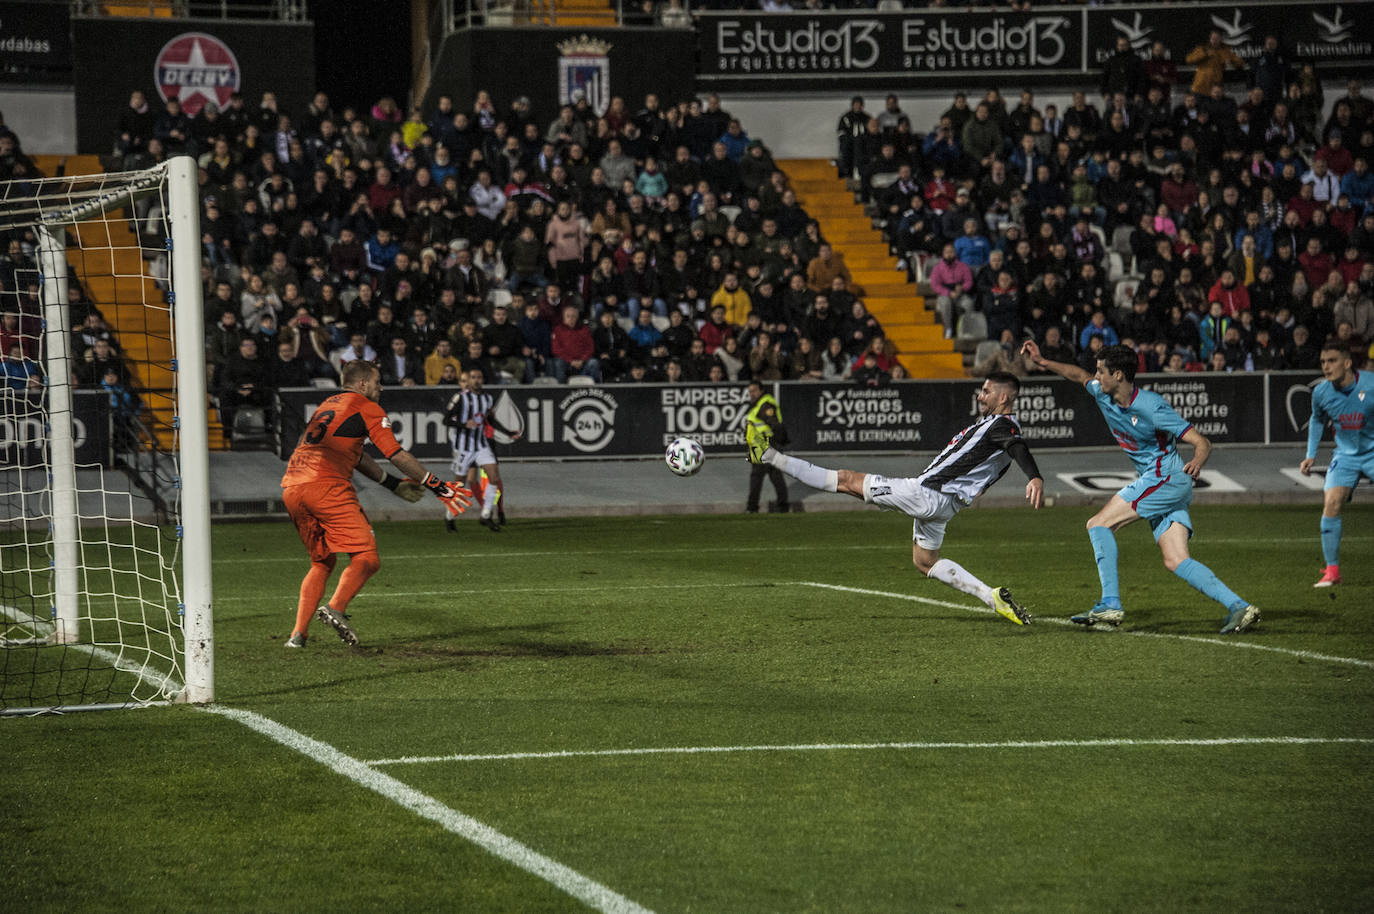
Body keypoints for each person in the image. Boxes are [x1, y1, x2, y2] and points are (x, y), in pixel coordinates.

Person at [746, 372, 1042, 625]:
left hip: (927, 493)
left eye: (987, 391)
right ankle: (992, 598)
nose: (981, 395)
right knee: (925, 562)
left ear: (1004, 398)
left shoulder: (1003, 426)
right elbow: (997, 464)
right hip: (945, 506)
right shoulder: (994, 428)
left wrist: (1034, 476)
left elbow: (1018, 448)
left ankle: (769, 455)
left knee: (846, 481)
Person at [1020, 341, 1260, 633]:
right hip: (1164, 483)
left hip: (1166, 477)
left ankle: (1110, 605)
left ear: (1118, 375)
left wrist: (1197, 461)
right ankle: (1240, 607)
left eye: (1101, 371)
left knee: (1098, 524)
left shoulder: (1151, 405)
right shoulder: (1102, 394)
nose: (1096, 377)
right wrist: (1043, 362)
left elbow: (1202, 442)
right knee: (1176, 560)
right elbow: (1077, 375)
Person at [279, 360, 472, 648]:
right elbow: (395, 453)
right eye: (377, 381)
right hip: (327, 486)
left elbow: (354, 455)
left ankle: (298, 636)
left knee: (322, 561)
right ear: (362, 384)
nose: (381, 387)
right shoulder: (366, 406)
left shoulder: (328, 406)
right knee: (367, 558)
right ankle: (336, 608)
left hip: (293, 487)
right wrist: (438, 486)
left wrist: (392, 484)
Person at [1300, 342, 1374, 587]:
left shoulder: (1370, 384)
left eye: (1331, 361)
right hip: (1346, 456)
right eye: (1323, 362)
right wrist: (1311, 454)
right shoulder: (1321, 392)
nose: (1326, 367)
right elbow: (1317, 420)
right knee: (1330, 503)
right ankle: (1332, 572)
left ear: (1347, 363)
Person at [443, 368, 521, 533]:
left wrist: (508, 432)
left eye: (479, 377)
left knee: (494, 476)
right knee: (459, 484)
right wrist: (464, 424)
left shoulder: (487, 398)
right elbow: (446, 419)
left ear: (482, 379)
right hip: (464, 447)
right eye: (473, 377)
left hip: (481, 445)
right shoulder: (460, 398)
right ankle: (449, 516)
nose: (476, 380)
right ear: (469, 380)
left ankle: (485, 515)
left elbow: (490, 420)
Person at [744, 380, 789, 514]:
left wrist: (777, 442)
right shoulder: (759, 405)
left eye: (754, 390)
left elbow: (776, 425)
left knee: (756, 477)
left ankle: (752, 508)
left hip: (764, 446)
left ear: (761, 390)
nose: (751, 394)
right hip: (765, 445)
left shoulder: (765, 405)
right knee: (775, 475)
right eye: (750, 391)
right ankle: (783, 506)